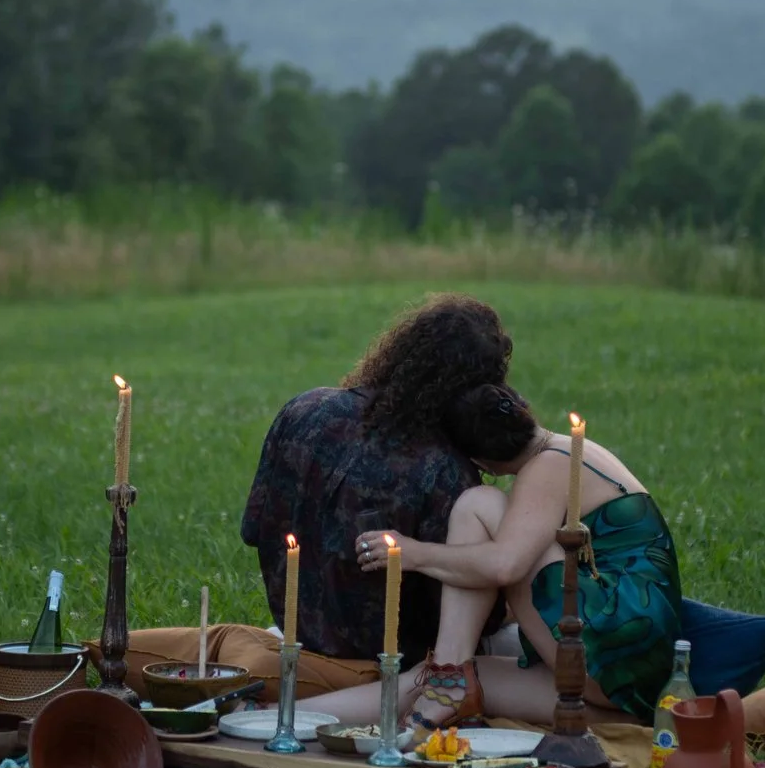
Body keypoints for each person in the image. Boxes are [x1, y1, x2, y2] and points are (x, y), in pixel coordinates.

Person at [122, 294, 513, 699]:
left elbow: (253, 529)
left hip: (297, 633)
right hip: (391, 662)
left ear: (402, 351)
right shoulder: (447, 470)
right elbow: (465, 615)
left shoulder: (304, 409)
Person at [303, 382, 683, 743]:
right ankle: (284, 716)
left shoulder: (549, 467)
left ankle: (448, 675)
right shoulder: (569, 449)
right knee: (446, 679)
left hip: (608, 645)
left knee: (478, 504)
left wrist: (413, 553)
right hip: (632, 679)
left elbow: (506, 565)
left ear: (481, 462)